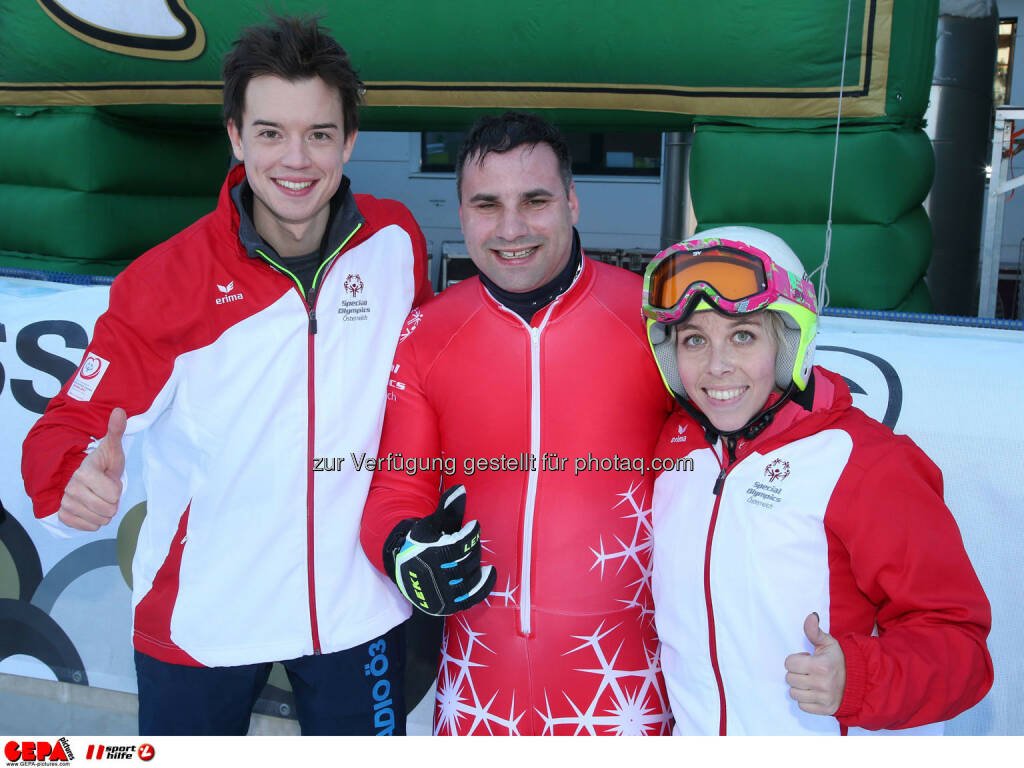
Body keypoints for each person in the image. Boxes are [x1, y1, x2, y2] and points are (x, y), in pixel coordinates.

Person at [21, 14, 431, 736]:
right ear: (236, 137)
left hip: (354, 608)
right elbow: (68, 427)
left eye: (319, 133)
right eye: (271, 133)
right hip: (201, 622)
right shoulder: (167, 282)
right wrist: (70, 484)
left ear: (350, 140)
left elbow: (424, 384)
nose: (295, 159)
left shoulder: (395, 242)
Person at [360, 111, 674, 735]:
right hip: (479, 694)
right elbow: (397, 487)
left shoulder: (652, 321)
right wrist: (401, 549)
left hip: (629, 696)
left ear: (572, 202)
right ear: (461, 213)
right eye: (486, 204)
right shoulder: (427, 334)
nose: (511, 229)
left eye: (534, 201)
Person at [644, 226, 993, 735]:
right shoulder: (676, 448)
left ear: (789, 341)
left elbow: (961, 645)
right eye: (694, 339)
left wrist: (861, 678)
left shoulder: (865, 463)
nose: (717, 366)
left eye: (743, 335)